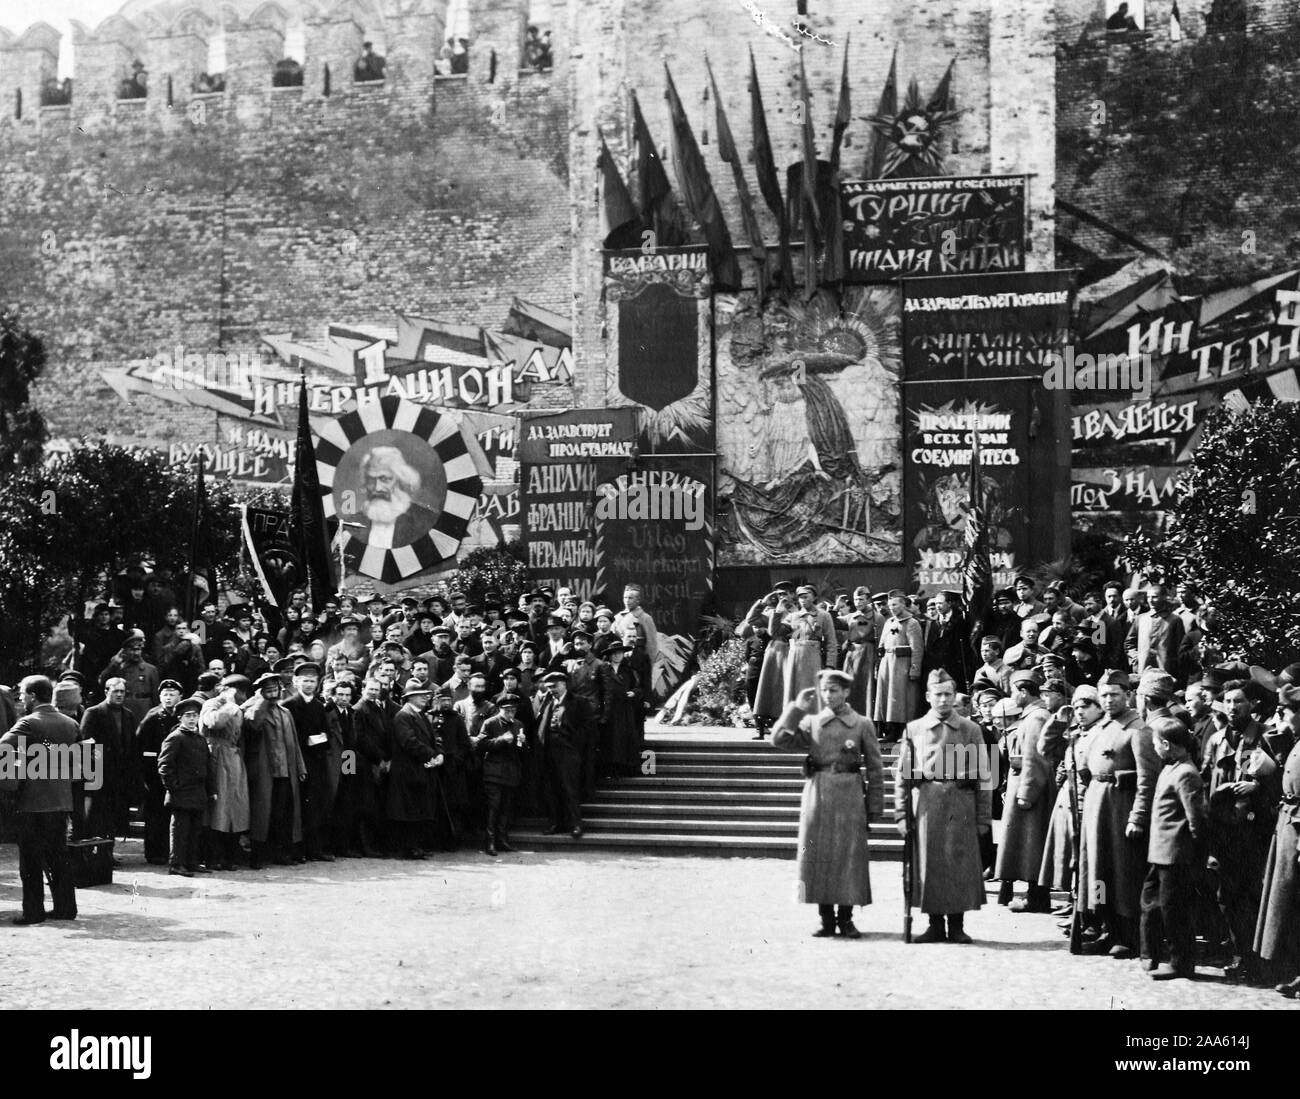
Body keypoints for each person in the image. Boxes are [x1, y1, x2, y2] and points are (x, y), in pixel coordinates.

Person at [772, 669, 885, 938]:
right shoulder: (812, 722)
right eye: (824, 690)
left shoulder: (862, 724)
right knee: (818, 856)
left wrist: (874, 807)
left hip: (849, 795)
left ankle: (846, 919)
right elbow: (778, 739)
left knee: (848, 857)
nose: (827, 695)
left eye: (833, 690)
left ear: (846, 692)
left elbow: (876, 769)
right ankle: (826, 919)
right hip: (818, 793)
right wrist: (796, 709)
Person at [895, 669, 992, 943]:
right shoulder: (913, 729)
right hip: (928, 804)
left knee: (958, 863)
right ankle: (935, 924)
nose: (944, 700)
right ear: (928, 697)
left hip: (961, 803)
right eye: (938, 694)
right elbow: (903, 776)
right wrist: (902, 815)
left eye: (949, 694)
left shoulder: (971, 730)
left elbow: (985, 775)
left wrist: (983, 817)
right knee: (931, 864)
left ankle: (957, 925)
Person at [1200, 679, 1281, 984]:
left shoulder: (1265, 738)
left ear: (1252, 705)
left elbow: (1283, 782)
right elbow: (1206, 779)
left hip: (1254, 829)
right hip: (1224, 830)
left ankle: (1259, 960)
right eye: (1229, 702)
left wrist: (1258, 785)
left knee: (1254, 894)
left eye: (1240, 702)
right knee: (1227, 895)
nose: (1233, 707)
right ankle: (1239, 954)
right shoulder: (1217, 739)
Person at [1078, 669, 1159, 959]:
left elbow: (1148, 779)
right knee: (1099, 871)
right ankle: (1106, 927)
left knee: (1123, 873)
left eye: (1114, 694)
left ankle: (1127, 935)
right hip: (1098, 806)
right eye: (1104, 695)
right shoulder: (1103, 727)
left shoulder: (1137, 729)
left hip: (1120, 808)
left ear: (1128, 695)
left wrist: (1137, 816)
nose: (1109, 700)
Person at [1, 676, 79, 925]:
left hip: (32, 803)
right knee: (59, 856)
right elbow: (83, 762)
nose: (21, 699)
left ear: (33, 696)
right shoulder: (70, 723)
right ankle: (65, 908)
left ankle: (33, 912)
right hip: (61, 801)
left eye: (23, 694)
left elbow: (3, 746)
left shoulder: (28, 723)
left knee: (31, 860)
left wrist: (16, 769)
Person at [1141, 716, 1209, 980]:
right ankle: (1152, 954)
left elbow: (1197, 819)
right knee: (1152, 904)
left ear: (1167, 745)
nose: (1155, 748)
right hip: (1160, 852)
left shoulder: (1186, 773)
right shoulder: (1171, 767)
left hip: (1176, 854)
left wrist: (1198, 854)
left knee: (1174, 911)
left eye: (1157, 743)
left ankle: (1181, 962)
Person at [995, 670, 1061, 912]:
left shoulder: (1035, 718)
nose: (1012, 696)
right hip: (1027, 784)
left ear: (1024, 692)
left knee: (1032, 846)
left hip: (1031, 788)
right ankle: (1035, 896)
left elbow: (1035, 758)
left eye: (1014, 691)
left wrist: (1026, 793)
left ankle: (1037, 898)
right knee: (1029, 846)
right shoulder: (1035, 715)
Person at [242, 672, 306, 868]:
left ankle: (280, 853)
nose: (272, 692)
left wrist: (300, 767)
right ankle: (257, 856)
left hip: (286, 771)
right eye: (267, 689)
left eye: (275, 688)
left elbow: (294, 742)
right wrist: (261, 700)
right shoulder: (253, 709)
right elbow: (253, 724)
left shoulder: (285, 712)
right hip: (264, 772)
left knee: (282, 814)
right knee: (262, 815)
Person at [158, 696, 217, 877]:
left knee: (195, 830)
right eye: (188, 716)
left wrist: (211, 790)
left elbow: (208, 765)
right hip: (181, 793)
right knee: (180, 830)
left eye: (195, 715)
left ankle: (192, 862)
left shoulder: (199, 739)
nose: (192, 719)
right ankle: (177, 863)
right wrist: (174, 787)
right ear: (180, 718)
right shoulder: (175, 738)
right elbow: (164, 765)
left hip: (198, 793)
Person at [283, 663, 337, 861]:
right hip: (298, 761)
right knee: (299, 807)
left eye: (312, 681)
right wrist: (310, 739)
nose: (308, 685)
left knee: (317, 806)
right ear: (296, 682)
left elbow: (326, 733)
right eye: (305, 680)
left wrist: (319, 739)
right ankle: (298, 850)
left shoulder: (318, 706)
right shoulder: (289, 705)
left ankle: (316, 849)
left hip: (317, 761)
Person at [78, 676, 138, 848]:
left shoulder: (128, 715)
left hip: (120, 774)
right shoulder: (94, 712)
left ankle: (108, 852)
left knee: (114, 815)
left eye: (122, 691)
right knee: (98, 816)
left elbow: (132, 745)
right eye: (115, 691)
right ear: (106, 691)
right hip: (100, 774)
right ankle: (97, 853)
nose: (119, 695)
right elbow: (84, 743)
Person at [200, 674, 252, 871]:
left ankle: (229, 856)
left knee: (236, 808)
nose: (239, 694)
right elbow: (213, 723)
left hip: (234, 759)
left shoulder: (239, 708)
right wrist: (228, 705)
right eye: (235, 689)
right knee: (217, 809)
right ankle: (212, 857)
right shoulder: (212, 704)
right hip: (216, 757)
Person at [388, 684, 444, 859]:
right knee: (409, 811)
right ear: (409, 697)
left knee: (418, 809)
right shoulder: (403, 716)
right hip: (408, 771)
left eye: (426, 694)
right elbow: (409, 742)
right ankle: (409, 848)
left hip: (420, 769)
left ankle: (416, 846)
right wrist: (432, 756)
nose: (425, 697)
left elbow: (433, 739)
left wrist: (439, 754)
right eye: (419, 695)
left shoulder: (420, 715)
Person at [535, 670, 594, 838]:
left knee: (570, 789)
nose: (551, 690)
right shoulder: (547, 703)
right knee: (552, 789)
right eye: (548, 687)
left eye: (554, 686)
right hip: (550, 752)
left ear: (564, 684)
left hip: (569, 752)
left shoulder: (579, 702)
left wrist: (573, 743)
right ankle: (556, 823)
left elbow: (588, 728)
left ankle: (576, 824)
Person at [473, 693, 528, 856]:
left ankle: (502, 840)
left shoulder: (518, 724)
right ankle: (489, 842)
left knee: (506, 807)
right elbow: (481, 745)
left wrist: (522, 743)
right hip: (493, 772)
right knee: (493, 807)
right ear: (500, 709)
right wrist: (501, 740)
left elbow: (523, 752)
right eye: (507, 710)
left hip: (511, 772)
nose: (511, 714)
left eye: (513, 710)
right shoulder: (490, 723)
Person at [136, 680, 183, 864]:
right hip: (155, 773)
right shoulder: (152, 717)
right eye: (165, 694)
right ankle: (154, 853)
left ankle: (172, 851)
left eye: (172, 694)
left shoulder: (182, 716)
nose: (168, 698)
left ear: (180, 696)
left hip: (177, 772)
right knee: (155, 813)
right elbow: (140, 746)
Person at [355, 446, 437, 548]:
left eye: (384, 479)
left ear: (399, 480)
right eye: (371, 479)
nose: (377, 488)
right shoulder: (353, 523)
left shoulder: (425, 520)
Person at [874, 590, 924, 742]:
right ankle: (890, 731)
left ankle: (903, 732)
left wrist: (915, 669)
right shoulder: (889, 622)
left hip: (902, 665)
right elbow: (882, 644)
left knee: (901, 699)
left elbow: (917, 648)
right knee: (886, 698)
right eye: (890, 605)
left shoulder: (912, 623)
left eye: (895, 604)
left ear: (903, 604)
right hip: (887, 664)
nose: (892, 608)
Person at [783, 586, 837, 703]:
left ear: (814, 597)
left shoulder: (823, 616)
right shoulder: (793, 616)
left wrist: (830, 665)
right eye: (800, 597)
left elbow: (831, 642)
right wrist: (777, 611)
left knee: (813, 694)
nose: (802, 599)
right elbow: (775, 631)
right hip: (795, 660)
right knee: (795, 694)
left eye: (806, 596)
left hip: (813, 660)